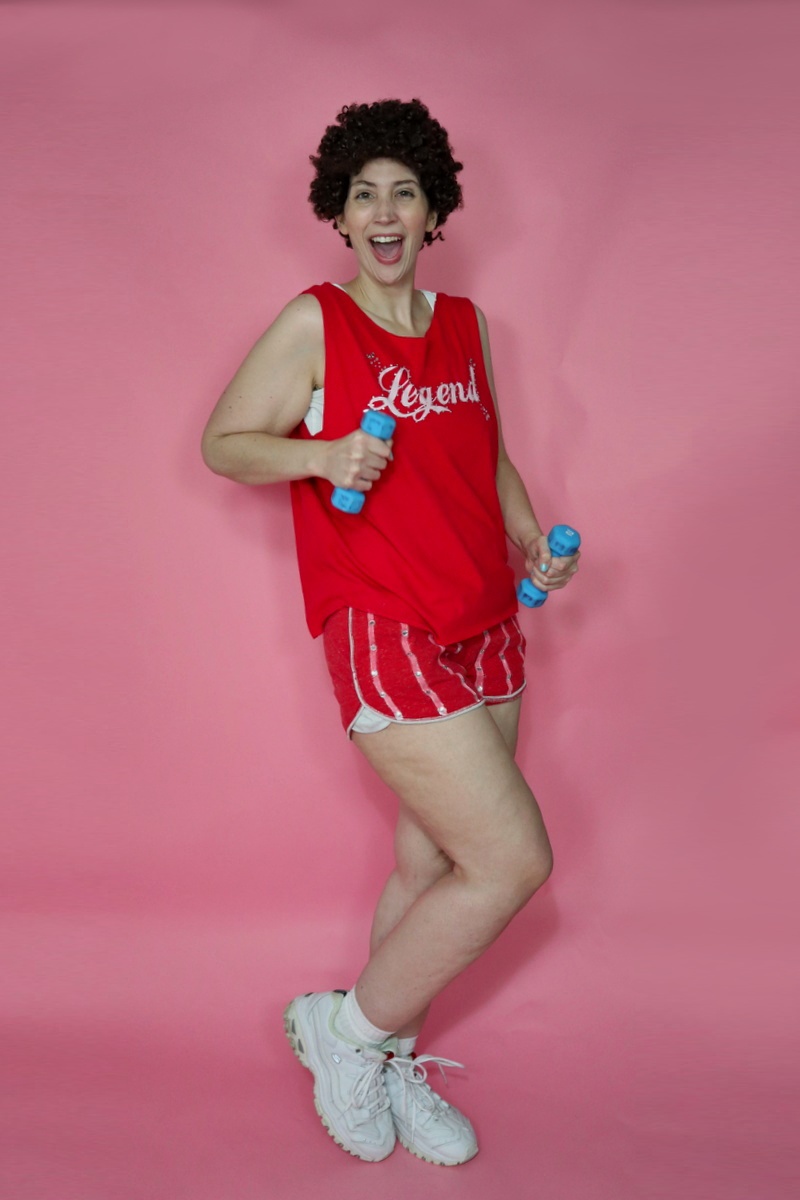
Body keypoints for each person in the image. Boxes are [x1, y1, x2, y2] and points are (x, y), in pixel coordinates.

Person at [201, 98, 580, 1167]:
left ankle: (385, 1056)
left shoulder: (465, 328)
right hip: (385, 622)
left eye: (401, 192)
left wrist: (527, 543)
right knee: (511, 861)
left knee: (430, 865)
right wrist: (320, 458)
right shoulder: (316, 321)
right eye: (361, 193)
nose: (381, 211)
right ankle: (344, 1030)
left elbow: (485, 456)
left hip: (485, 622)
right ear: (338, 211)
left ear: (431, 210)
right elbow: (223, 444)